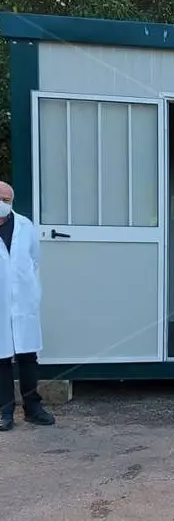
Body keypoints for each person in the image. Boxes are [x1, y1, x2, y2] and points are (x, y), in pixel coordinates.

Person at [0, 181, 55, 431]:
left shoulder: (25, 225)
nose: (2, 204)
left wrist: (32, 292)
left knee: (28, 356)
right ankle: (4, 413)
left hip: (23, 301)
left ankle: (33, 408)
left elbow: (34, 260)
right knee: (1, 358)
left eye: (6, 200)